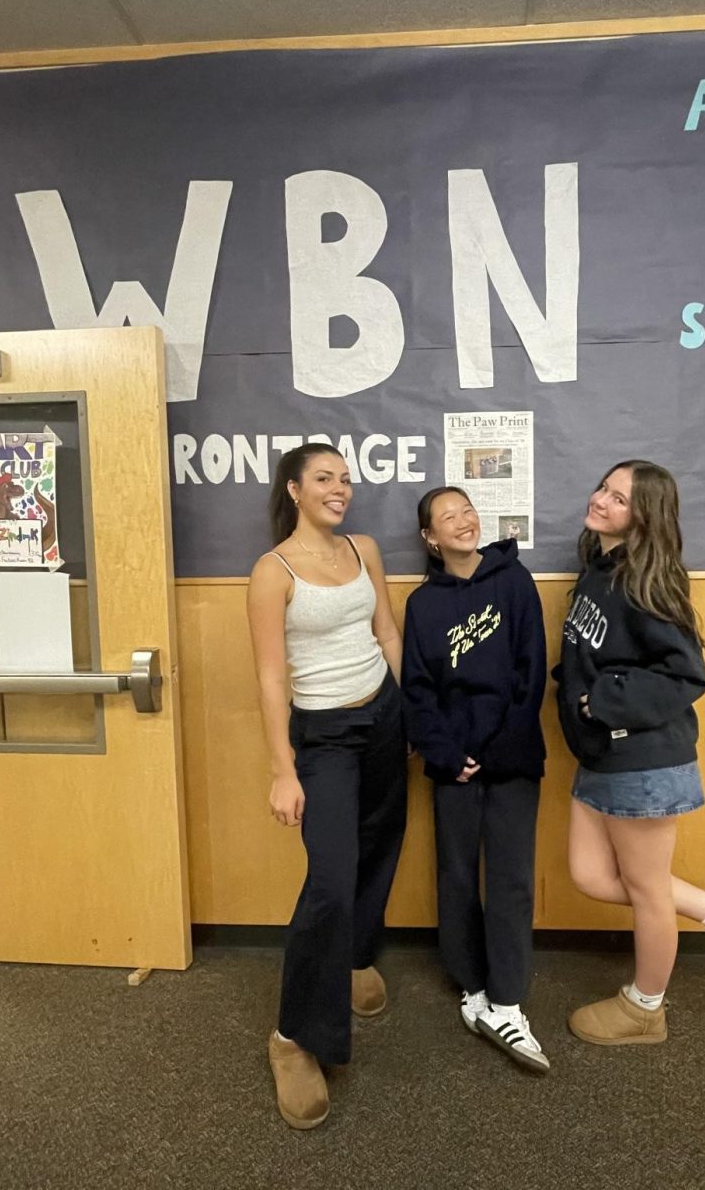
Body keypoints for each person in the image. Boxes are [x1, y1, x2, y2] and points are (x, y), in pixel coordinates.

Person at [554, 460, 705, 1046]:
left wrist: (601, 700)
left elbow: (685, 675)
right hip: (601, 755)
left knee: (647, 890)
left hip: (644, 761)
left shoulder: (648, 581)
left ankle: (645, 1007)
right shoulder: (601, 566)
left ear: (644, 517)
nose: (601, 500)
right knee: (591, 875)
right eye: (604, 487)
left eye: (619, 499)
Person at [247, 442, 407, 1129]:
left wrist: (411, 711)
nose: (339, 489)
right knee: (330, 879)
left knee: (381, 836)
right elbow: (269, 677)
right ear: (293, 489)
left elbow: (387, 632)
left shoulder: (364, 548)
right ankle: (292, 1038)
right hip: (324, 736)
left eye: (344, 479)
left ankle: (353, 957)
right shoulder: (271, 571)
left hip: (383, 713)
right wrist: (283, 768)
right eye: (323, 479)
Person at [402, 487, 549, 1072]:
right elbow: (418, 688)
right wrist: (447, 752)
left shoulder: (515, 581)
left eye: (467, 511)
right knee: (457, 873)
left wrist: (493, 750)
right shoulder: (422, 606)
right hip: (452, 762)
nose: (462, 522)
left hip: (511, 756)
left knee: (511, 877)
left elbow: (530, 671)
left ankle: (509, 999)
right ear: (429, 538)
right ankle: (472, 987)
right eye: (447, 517)